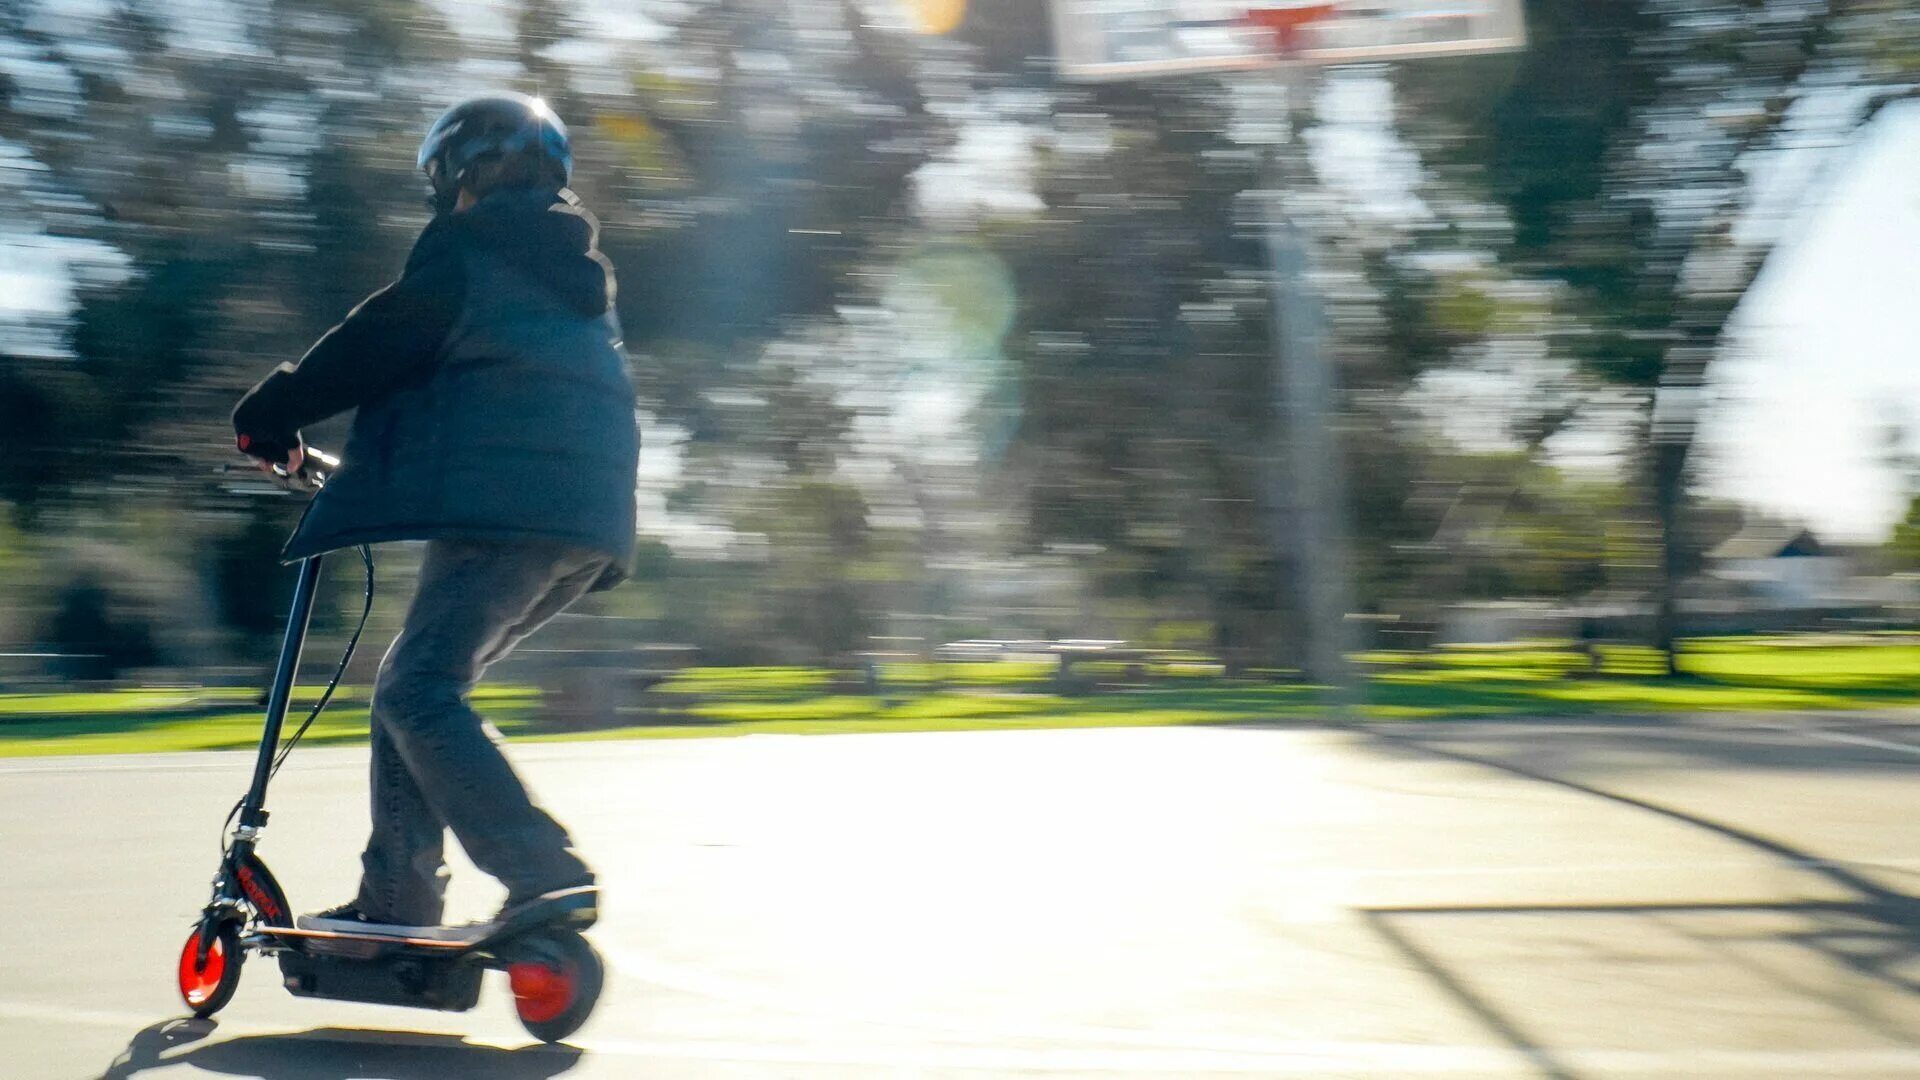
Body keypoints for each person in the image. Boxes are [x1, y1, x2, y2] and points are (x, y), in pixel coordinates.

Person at [230, 93, 639, 932]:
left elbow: (378, 339)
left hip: (508, 513)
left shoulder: (471, 252)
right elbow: (500, 390)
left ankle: (540, 872)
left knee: (417, 690)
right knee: (414, 686)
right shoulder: (577, 284)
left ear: (465, 174)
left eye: (443, 180)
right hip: (587, 523)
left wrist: (274, 409)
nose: (442, 199)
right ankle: (398, 896)